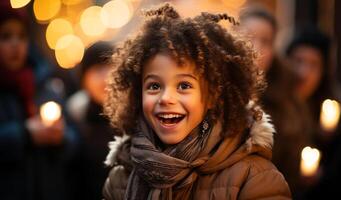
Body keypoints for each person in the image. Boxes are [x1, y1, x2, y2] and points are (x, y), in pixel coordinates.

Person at [102, 3, 291, 200]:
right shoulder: (121, 177)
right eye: (154, 86)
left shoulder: (253, 178)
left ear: (211, 96)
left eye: (184, 86)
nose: (166, 98)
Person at [0, 3, 79, 200]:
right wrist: (26, 134)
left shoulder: (45, 83)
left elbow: (75, 140)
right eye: (6, 36)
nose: (15, 44)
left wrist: (60, 138)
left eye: (21, 36)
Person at [239, 7, 312, 196]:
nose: (256, 48)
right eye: (248, 37)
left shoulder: (286, 103)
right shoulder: (211, 92)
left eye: (266, 41)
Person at [286, 27, 341, 199]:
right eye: (298, 61)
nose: (303, 72)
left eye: (313, 64)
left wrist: (327, 142)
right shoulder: (273, 105)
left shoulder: (340, 113)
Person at [66, 41, 115, 200]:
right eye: (97, 70)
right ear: (84, 79)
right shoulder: (75, 120)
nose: (105, 77)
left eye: (111, 67)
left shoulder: (137, 119)